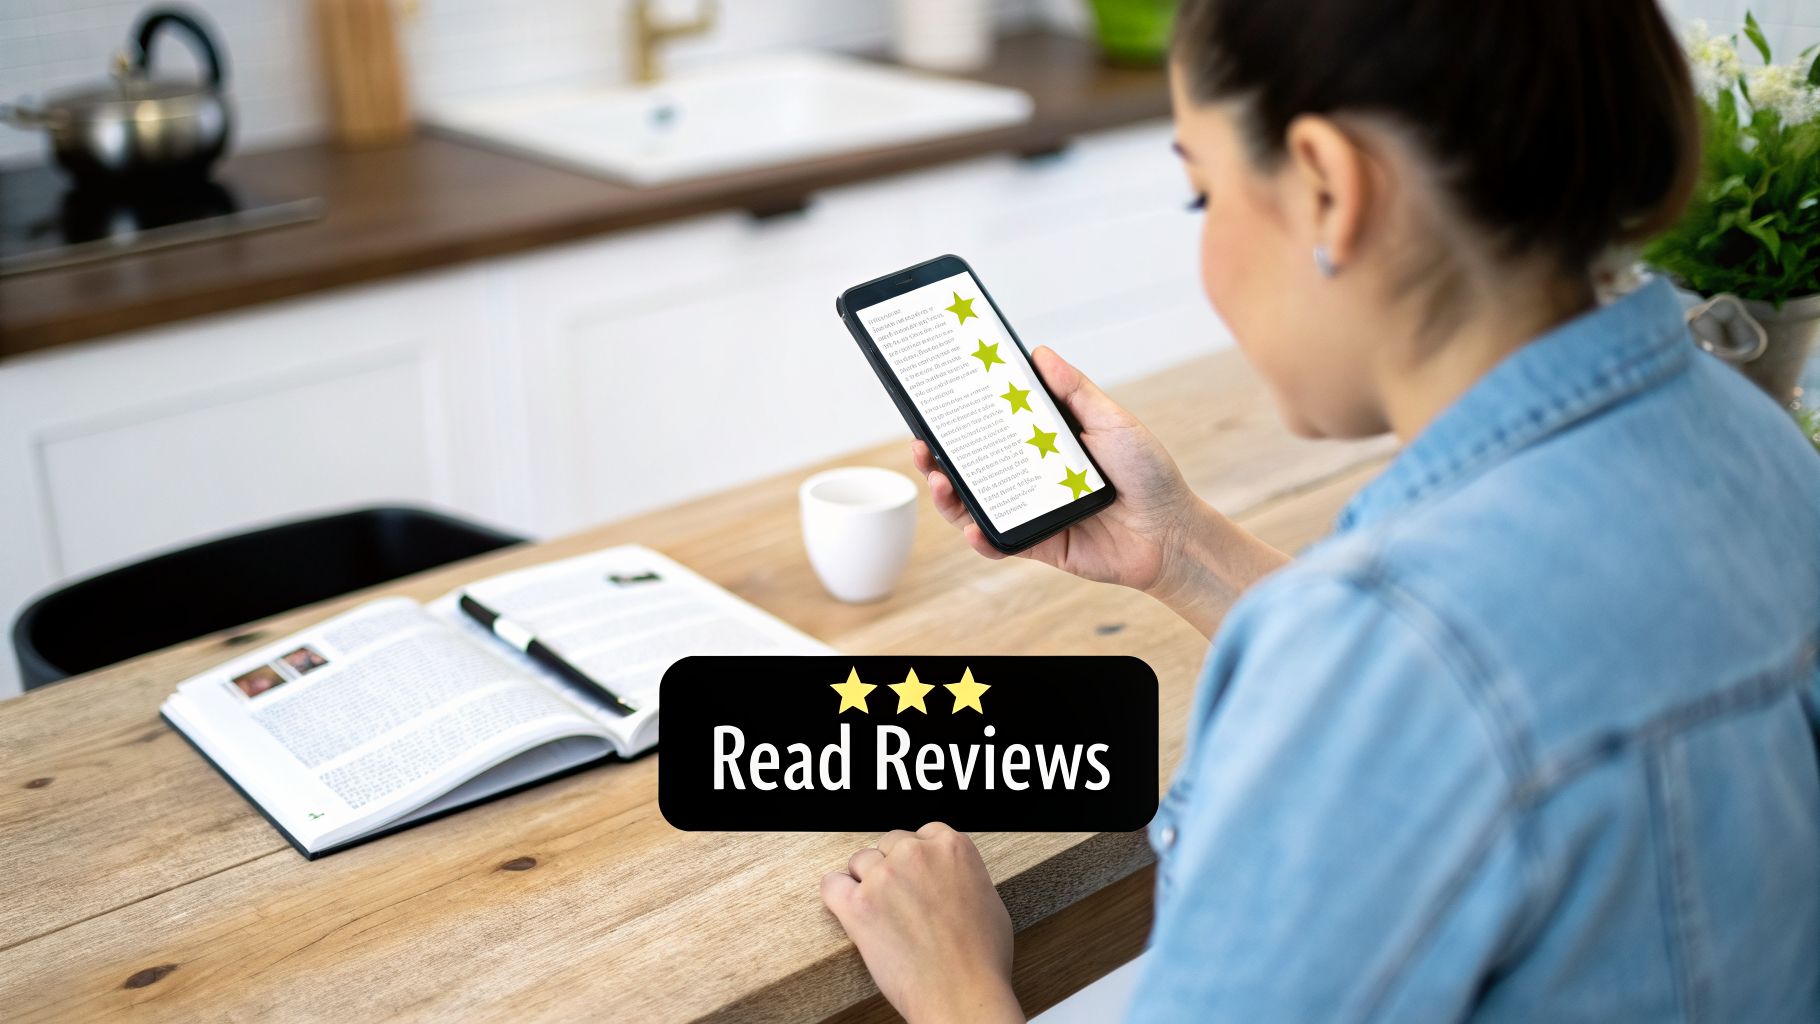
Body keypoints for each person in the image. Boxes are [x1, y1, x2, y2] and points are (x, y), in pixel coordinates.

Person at [818, 0, 1820, 1020]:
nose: (1204, 248)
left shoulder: (1376, 661)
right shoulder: (1752, 443)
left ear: (1328, 188)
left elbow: (1419, 679)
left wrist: (954, 982)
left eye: (1199, 194)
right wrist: (1178, 546)